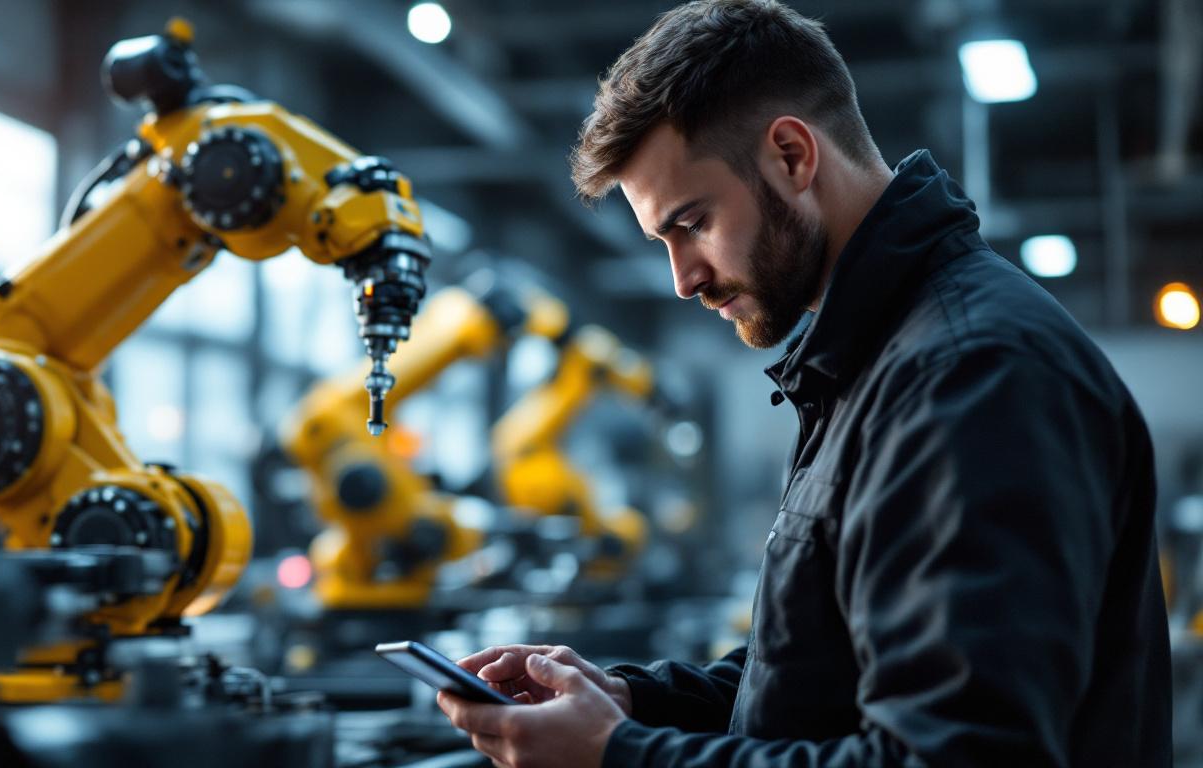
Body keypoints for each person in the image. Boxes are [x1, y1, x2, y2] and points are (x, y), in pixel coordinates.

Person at [434, 0, 1172, 766]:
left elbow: (953, 756)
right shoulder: (871, 364)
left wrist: (621, 756)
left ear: (791, 155)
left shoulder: (971, 374)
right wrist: (636, 703)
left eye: (691, 223)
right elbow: (822, 684)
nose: (682, 280)